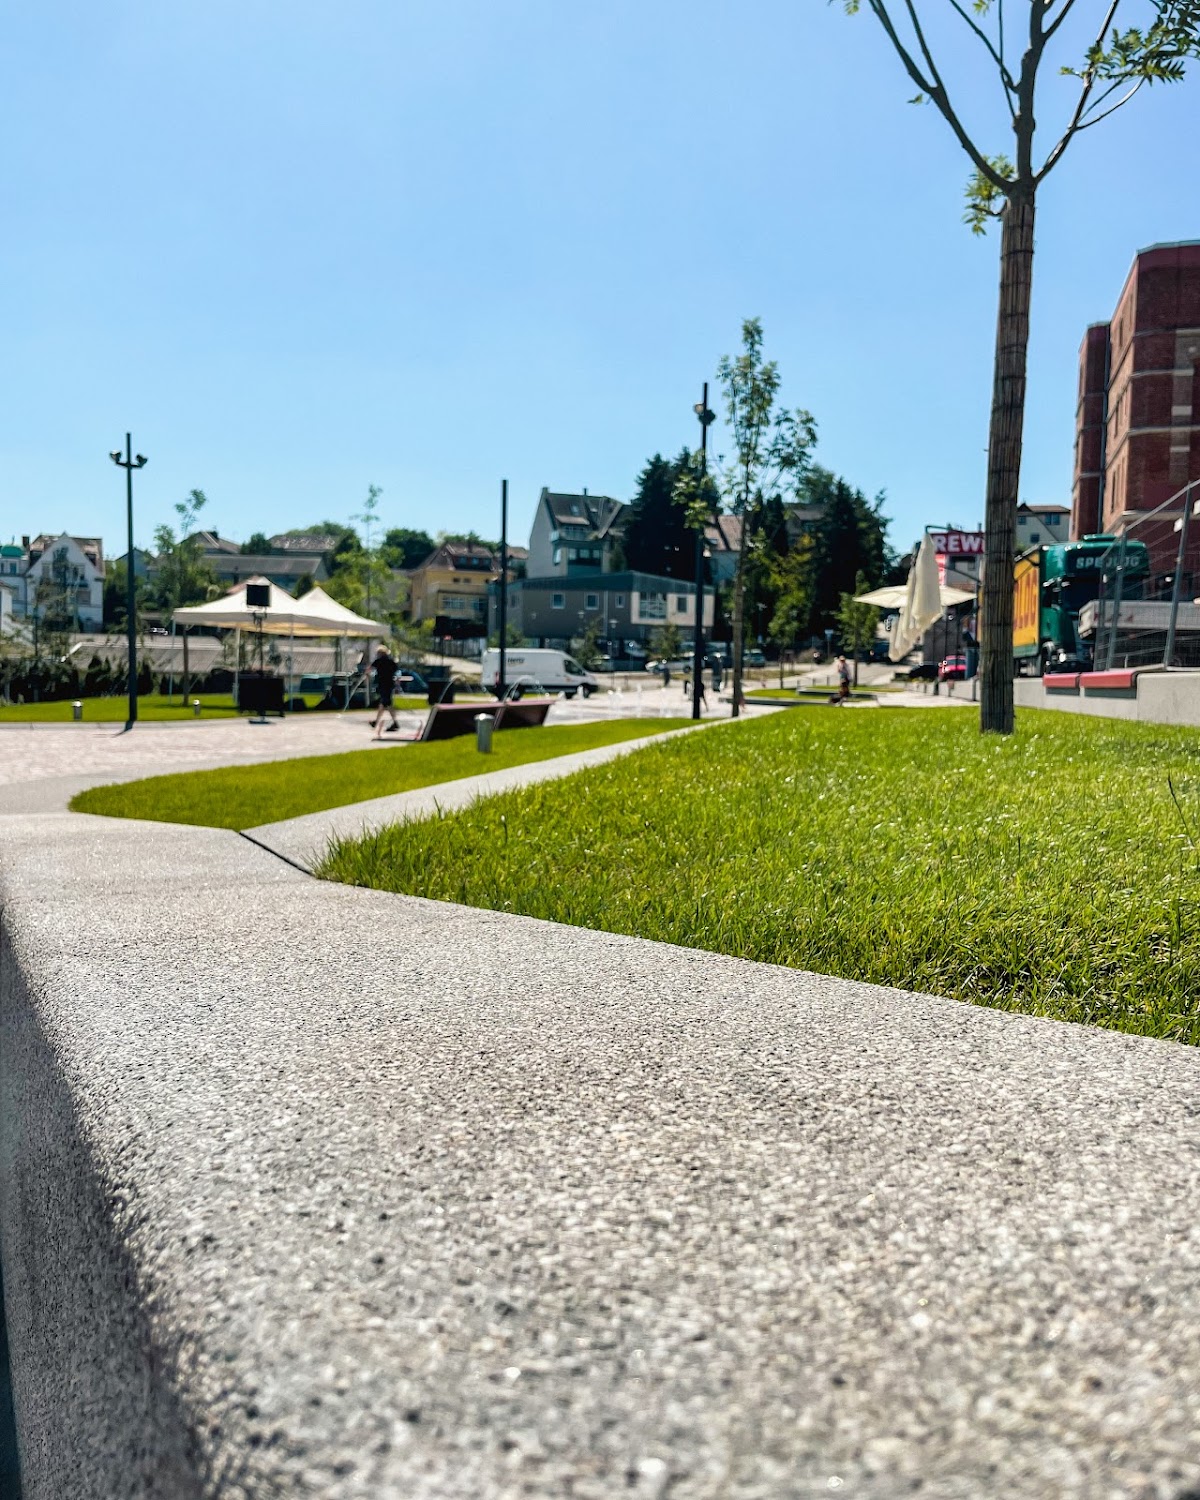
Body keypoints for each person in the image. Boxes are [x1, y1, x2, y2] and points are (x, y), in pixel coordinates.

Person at [370, 644, 401, 738]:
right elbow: (397, 671)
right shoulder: (391, 662)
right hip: (389, 684)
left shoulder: (378, 661)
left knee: (387, 703)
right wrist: (397, 682)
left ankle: (395, 723)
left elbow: (369, 669)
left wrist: (368, 675)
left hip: (383, 685)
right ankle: (376, 722)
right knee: (383, 704)